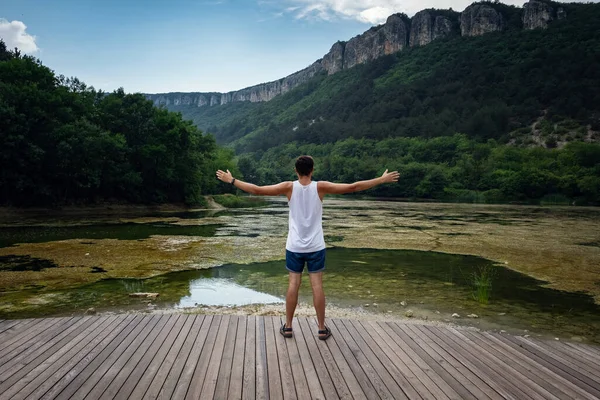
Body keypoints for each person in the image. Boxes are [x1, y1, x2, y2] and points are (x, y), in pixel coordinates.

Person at [216, 156, 399, 340]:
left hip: (294, 246)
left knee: (293, 284)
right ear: (312, 170)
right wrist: (381, 179)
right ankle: (321, 328)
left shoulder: (289, 187)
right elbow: (353, 187)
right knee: (317, 285)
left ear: (296, 170)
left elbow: (257, 190)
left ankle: (288, 327)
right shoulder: (320, 187)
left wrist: (231, 180)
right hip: (316, 246)